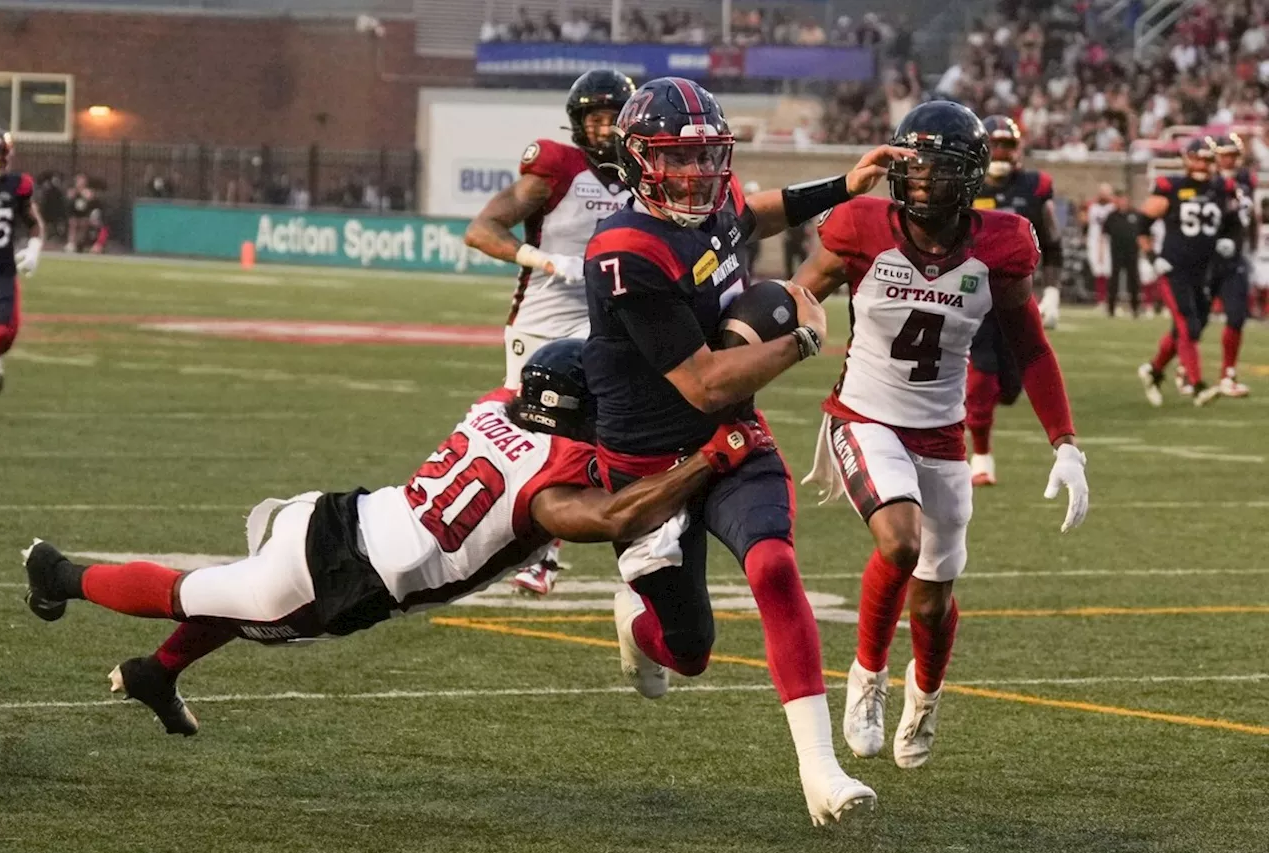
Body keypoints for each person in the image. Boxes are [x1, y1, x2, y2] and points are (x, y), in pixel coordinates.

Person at [22, 340, 771, 737]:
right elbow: (612, 516)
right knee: (192, 595)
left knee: (232, 603)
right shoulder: (553, 482)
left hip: (339, 516)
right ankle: (56, 573)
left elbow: (552, 418)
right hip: (342, 577)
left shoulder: (497, 406)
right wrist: (711, 458)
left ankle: (156, 675)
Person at [585, 75, 911, 824]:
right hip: (650, 468)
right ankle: (634, 622)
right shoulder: (625, 249)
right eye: (679, 159)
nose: (698, 175)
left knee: (773, 564)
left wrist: (841, 185)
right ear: (638, 162)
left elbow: (748, 213)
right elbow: (701, 383)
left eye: (706, 157)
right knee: (689, 646)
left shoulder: (703, 203)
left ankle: (821, 772)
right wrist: (799, 338)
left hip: (731, 438)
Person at [791, 100, 1089, 771]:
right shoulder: (862, 225)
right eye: (913, 161)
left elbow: (1031, 348)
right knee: (899, 540)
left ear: (972, 175)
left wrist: (1064, 441)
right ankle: (866, 677)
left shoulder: (1002, 244)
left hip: (941, 432)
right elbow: (795, 298)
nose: (921, 177)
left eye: (938, 165)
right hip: (863, 414)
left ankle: (925, 694)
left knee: (933, 594)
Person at [464, 69, 635, 595]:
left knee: (592, 431)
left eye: (614, 119)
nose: (605, 130)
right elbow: (481, 229)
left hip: (606, 320)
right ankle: (492, 535)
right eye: (596, 119)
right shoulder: (556, 167)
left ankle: (547, 555)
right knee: (521, 430)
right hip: (541, 319)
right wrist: (539, 257)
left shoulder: (643, 173)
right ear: (578, 123)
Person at [964, 115, 1065, 487]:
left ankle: (974, 416)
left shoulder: (1036, 186)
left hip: (1015, 295)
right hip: (970, 293)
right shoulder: (964, 183)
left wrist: (1052, 289)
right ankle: (981, 457)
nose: (1001, 152)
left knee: (1008, 389)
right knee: (982, 374)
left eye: (1007, 144)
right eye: (995, 144)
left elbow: (1052, 241)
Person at [1137, 137, 1242, 408]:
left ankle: (1153, 369)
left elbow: (1233, 223)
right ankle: (1197, 386)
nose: (1201, 165)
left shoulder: (1222, 188)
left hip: (1205, 270)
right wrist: (1153, 257)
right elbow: (1142, 224)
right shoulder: (1171, 186)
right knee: (1188, 325)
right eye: (1197, 158)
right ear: (1186, 159)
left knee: (1187, 329)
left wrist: (1229, 240)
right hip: (1174, 269)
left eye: (1207, 160)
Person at [0, 126, 42, 408]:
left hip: (0, 270)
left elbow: (32, 223)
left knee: (2, 336)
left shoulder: (16, 185)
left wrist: (33, 249)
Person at [1205, 134, 1255, 397]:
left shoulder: (1245, 180)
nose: (1230, 160)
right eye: (1225, 154)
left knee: (1236, 316)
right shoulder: (1208, 183)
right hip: (1207, 259)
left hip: (1234, 258)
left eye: (1233, 154)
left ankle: (1228, 374)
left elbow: (1249, 216)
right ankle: (1163, 368)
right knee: (1193, 322)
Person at [1103, 189, 1143, 318]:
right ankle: (1111, 308)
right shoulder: (1112, 216)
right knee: (1114, 279)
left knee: (1134, 279)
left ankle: (1135, 308)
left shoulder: (1136, 215)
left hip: (1132, 252)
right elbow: (1105, 232)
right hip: (1117, 252)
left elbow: (1142, 232)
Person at [1085, 183, 1116, 310]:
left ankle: (1108, 299)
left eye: (1106, 192)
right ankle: (1100, 300)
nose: (1103, 194)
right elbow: (1088, 223)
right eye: (1102, 191)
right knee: (1097, 270)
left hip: (1108, 240)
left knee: (1108, 270)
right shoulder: (1093, 207)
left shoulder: (1113, 208)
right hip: (1094, 240)